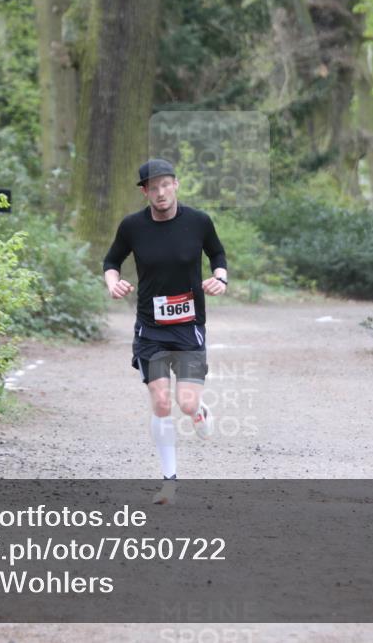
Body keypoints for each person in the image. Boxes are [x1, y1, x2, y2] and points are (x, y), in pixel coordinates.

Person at [103, 158, 228, 504]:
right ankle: (169, 483)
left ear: (176, 185)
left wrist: (220, 278)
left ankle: (199, 412)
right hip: (151, 331)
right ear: (145, 192)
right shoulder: (132, 227)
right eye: (152, 187)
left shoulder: (199, 222)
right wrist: (112, 283)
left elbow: (217, 253)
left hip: (188, 329)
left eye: (165, 185)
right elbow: (111, 261)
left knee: (186, 403)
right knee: (160, 401)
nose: (160, 193)